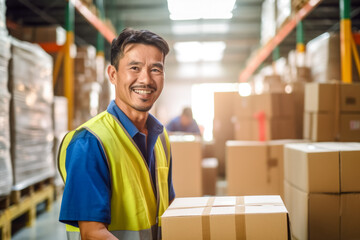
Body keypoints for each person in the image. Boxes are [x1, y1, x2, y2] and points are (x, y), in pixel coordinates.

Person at [58, 28, 175, 240]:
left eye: (156, 69)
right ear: (113, 74)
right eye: (135, 68)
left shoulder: (161, 138)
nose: (146, 80)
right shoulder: (90, 142)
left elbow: (169, 211)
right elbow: (93, 234)